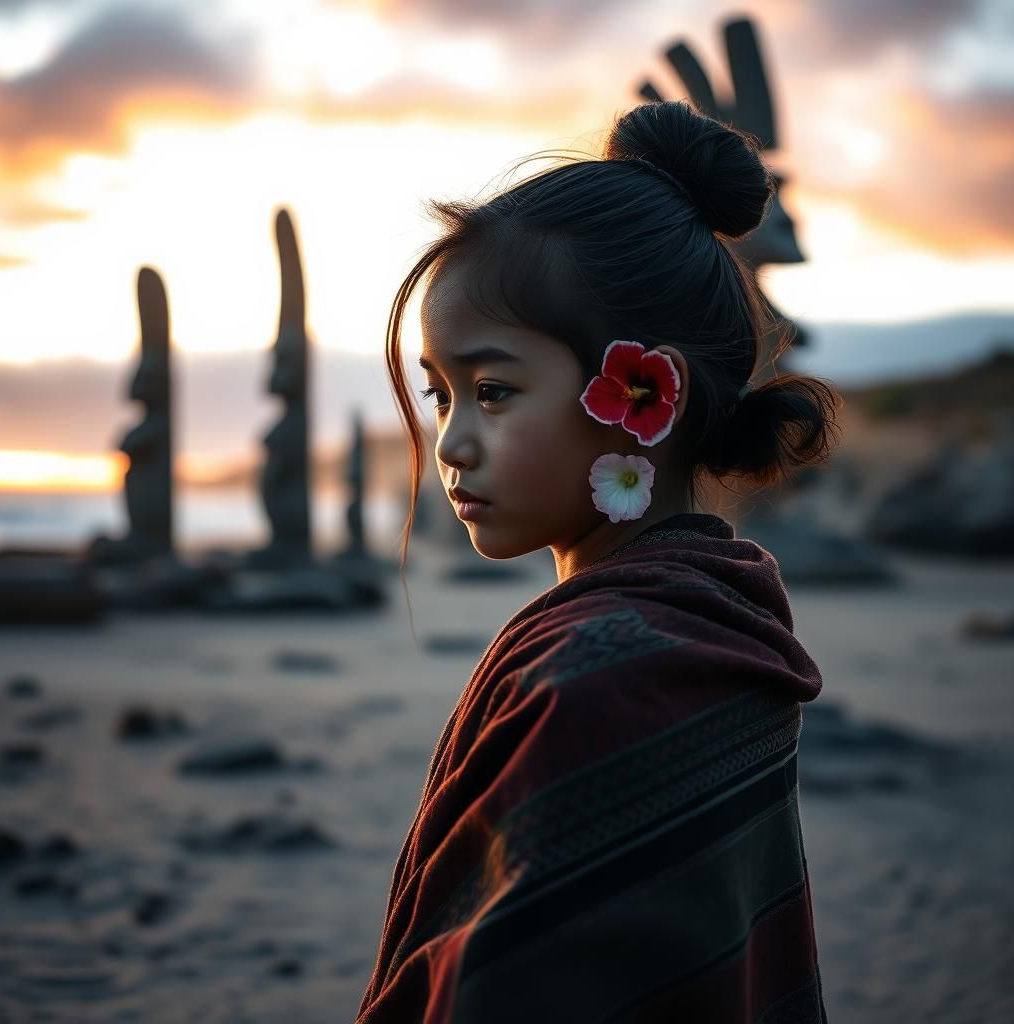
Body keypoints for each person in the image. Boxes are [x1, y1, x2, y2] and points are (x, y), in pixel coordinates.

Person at [358, 99, 840, 1023]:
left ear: (644, 395)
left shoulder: (604, 679)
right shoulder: (716, 619)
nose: (451, 443)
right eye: (440, 394)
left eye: (494, 391)